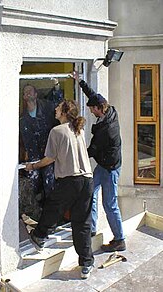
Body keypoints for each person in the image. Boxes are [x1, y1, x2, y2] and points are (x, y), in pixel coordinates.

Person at [25, 100, 94, 279]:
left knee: (52, 208)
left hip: (71, 180)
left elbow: (49, 159)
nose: (55, 109)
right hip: (87, 180)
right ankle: (86, 263)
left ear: (63, 112)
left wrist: (32, 166)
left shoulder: (56, 131)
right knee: (82, 223)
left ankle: (40, 236)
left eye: (58, 107)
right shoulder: (79, 129)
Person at [71, 71, 126, 252]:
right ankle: (92, 228)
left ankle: (119, 240)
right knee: (91, 193)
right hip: (104, 165)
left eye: (91, 109)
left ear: (99, 109)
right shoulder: (109, 111)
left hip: (110, 169)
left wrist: (74, 158)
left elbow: (91, 151)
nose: (90, 111)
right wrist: (80, 81)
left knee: (109, 204)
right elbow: (93, 95)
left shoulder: (106, 130)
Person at [19, 82, 63, 218]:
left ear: (36, 94)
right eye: (25, 92)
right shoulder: (22, 119)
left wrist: (56, 86)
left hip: (48, 157)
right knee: (31, 188)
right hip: (32, 158)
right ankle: (35, 216)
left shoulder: (47, 108)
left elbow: (59, 103)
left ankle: (53, 218)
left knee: (50, 186)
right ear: (23, 97)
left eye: (30, 91)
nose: (28, 93)